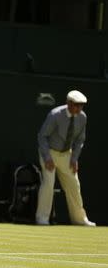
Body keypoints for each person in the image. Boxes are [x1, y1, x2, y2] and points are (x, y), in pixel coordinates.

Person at [36, 90, 95, 226]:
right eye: (76, 105)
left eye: (81, 105)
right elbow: (42, 136)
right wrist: (47, 158)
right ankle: (42, 219)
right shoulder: (55, 115)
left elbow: (80, 140)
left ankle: (80, 219)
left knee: (74, 185)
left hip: (66, 155)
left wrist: (74, 159)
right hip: (49, 152)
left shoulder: (82, 117)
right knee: (49, 184)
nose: (79, 108)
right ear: (68, 103)